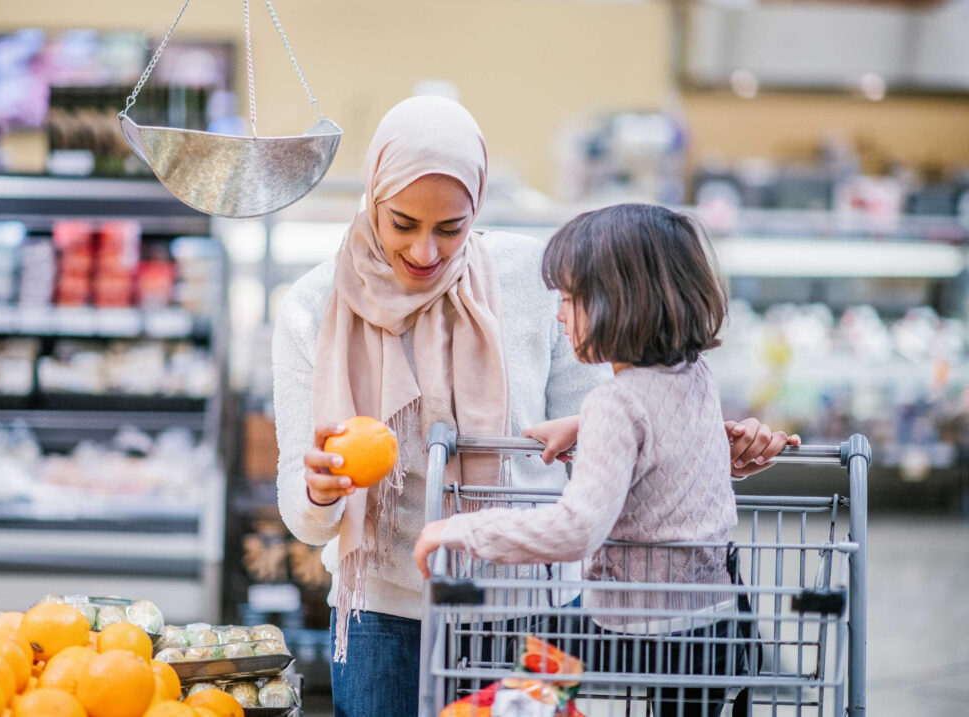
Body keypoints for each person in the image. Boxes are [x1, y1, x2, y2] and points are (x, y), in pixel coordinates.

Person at [274, 97, 794, 717]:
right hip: (382, 616)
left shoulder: (535, 280)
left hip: (532, 609)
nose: (424, 253)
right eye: (402, 223)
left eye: (451, 228)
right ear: (373, 198)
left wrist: (701, 446)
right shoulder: (313, 307)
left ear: (478, 207)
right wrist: (320, 491)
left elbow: (613, 440)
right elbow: (302, 518)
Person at [415, 203, 779, 716]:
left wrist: (461, 531)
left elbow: (576, 529)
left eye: (569, 298)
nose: (558, 313)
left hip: (640, 627)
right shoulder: (695, 375)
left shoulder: (614, 401)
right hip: (713, 626)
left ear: (619, 302)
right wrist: (584, 426)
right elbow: (663, 436)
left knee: (526, 672)